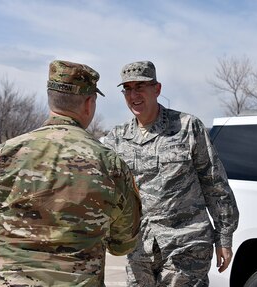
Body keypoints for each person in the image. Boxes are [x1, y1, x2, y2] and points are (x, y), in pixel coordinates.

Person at [0, 60, 141, 287]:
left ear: (50, 99)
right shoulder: (110, 165)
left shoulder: (4, 155)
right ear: (89, 104)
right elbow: (123, 244)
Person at [102, 60, 239, 286]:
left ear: (157, 89)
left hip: (186, 245)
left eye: (140, 87)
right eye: (127, 89)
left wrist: (224, 237)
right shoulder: (117, 137)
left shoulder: (187, 127)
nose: (133, 95)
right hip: (140, 249)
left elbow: (214, 183)